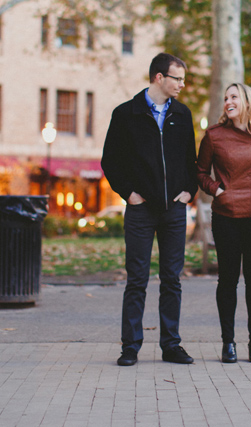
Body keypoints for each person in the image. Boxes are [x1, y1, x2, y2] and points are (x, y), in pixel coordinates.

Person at [101, 53, 198, 367]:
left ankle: (171, 346)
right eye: (177, 78)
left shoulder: (182, 115)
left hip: (174, 211)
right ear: (159, 77)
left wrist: (188, 192)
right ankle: (130, 347)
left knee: (172, 279)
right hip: (141, 211)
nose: (182, 84)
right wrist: (129, 194)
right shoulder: (126, 114)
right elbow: (110, 161)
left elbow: (190, 161)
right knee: (137, 279)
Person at [196, 83, 251, 363]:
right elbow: (199, 172)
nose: (227, 102)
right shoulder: (213, 135)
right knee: (227, 280)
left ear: (247, 101)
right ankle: (228, 343)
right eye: (225, 98)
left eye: (233, 97)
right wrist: (216, 190)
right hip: (225, 217)